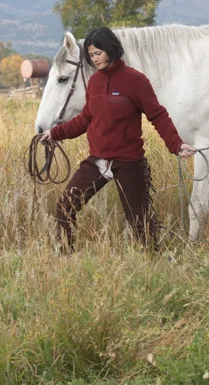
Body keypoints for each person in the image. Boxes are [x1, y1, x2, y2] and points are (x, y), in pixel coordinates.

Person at [41, 26, 196, 251]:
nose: (94, 59)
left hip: (128, 162)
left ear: (111, 50)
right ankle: (66, 256)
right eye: (91, 55)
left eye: (98, 53)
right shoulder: (94, 83)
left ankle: (155, 261)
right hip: (97, 161)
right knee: (65, 207)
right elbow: (85, 119)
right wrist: (55, 133)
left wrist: (176, 144)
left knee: (140, 222)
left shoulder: (136, 81)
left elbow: (157, 115)